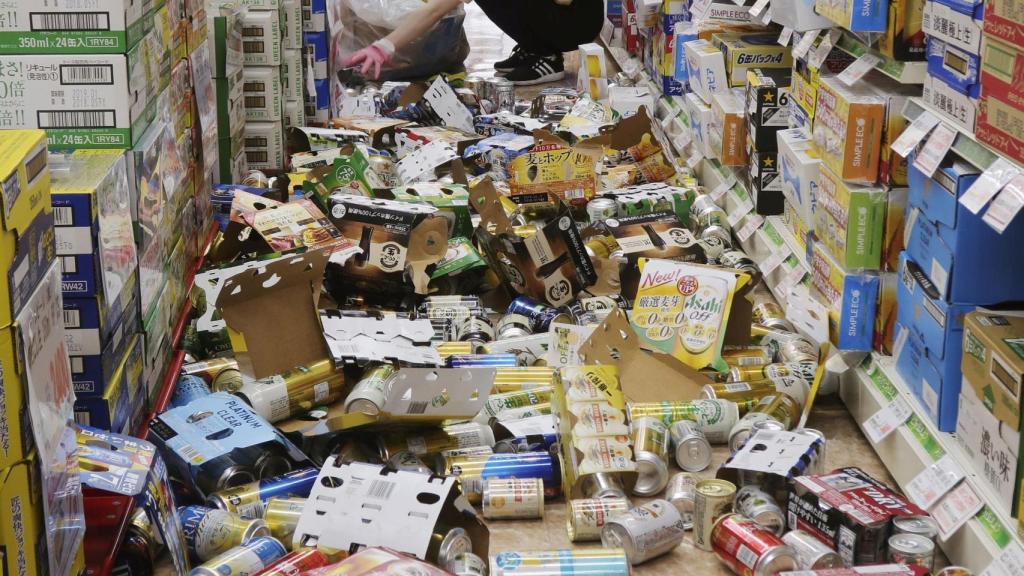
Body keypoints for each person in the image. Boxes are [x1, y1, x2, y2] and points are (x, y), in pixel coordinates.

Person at [342, 0, 605, 85]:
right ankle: (535, 46)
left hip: (579, 20)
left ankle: (548, 56)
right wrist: (384, 46)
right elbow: (435, 9)